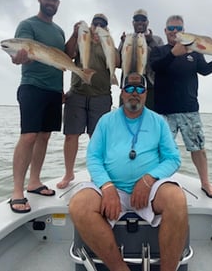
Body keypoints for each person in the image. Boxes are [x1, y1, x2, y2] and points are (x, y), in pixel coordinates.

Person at [69, 72, 188, 271]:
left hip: (151, 190)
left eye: (139, 89)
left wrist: (149, 179)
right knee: (79, 206)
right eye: (130, 88)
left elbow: (173, 158)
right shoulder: (106, 121)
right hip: (112, 188)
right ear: (122, 93)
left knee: (176, 199)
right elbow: (94, 158)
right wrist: (106, 187)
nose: (135, 93)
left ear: (145, 93)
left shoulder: (158, 121)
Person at [150, 15, 212, 198]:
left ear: (184, 31)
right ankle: (157, 182)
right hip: (163, 111)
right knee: (159, 149)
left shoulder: (195, 52)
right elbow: (156, 67)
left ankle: (205, 182)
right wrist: (174, 53)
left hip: (189, 108)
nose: (174, 32)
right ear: (165, 31)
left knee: (198, 148)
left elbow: (204, 71)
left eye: (178, 28)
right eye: (171, 29)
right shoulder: (158, 51)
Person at [8, 0, 65, 213]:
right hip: (32, 87)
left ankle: (34, 182)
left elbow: (60, 61)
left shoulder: (59, 31)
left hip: (54, 90)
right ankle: (17, 191)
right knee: (29, 135)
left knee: (44, 136)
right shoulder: (27, 25)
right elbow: (19, 56)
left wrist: (61, 90)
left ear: (58, 2)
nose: (51, 2)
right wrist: (19, 58)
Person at [57, 14, 120, 189]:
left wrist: (110, 42)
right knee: (71, 136)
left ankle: (97, 173)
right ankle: (69, 173)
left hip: (101, 96)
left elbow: (119, 62)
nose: (98, 26)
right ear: (91, 25)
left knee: (97, 137)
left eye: (103, 24)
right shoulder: (81, 39)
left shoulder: (108, 43)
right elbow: (67, 55)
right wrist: (75, 34)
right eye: (96, 23)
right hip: (77, 93)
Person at [118, 9, 164, 110]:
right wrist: (123, 44)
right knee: (125, 116)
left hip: (150, 86)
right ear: (133, 23)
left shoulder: (157, 39)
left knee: (149, 118)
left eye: (143, 20)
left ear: (147, 22)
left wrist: (150, 41)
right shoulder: (127, 39)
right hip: (128, 85)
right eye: (137, 20)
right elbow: (119, 62)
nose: (140, 22)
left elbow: (162, 58)